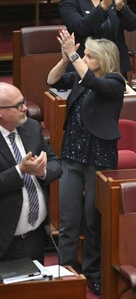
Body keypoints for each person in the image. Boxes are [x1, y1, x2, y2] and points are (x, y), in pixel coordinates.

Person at [47, 30, 125, 296]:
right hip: (72, 155)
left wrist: (74, 54)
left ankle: (93, 272)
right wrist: (64, 59)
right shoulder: (82, 79)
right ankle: (66, 269)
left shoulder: (115, 82)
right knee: (69, 218)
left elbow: (95, 83)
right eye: (85, 54)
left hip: (99, 158)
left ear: (103, 59)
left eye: (90, 56)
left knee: (94, 220)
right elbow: (52, 81)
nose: (85, 58)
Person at [0, 83, 62, 264]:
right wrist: (20, 171)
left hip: (36, 236)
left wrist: (42, 171)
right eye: (18, 105)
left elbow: (56, 163)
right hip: (5, 242)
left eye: (24, 102)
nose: (26, 108)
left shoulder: (32, 128)